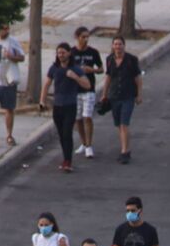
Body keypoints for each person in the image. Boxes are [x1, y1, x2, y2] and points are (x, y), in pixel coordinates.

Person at [42, 45, 88, 171]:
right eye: (58, 53)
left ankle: (68, 161)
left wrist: (75, 77)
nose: (60, 55)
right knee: (62, 135)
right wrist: (42, 101)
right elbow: (46, 84)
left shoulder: (76, 69)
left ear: (69, 54)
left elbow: (87, 85)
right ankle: (65, 158)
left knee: (67, 133)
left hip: (70, 106)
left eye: (63, 52)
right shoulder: (54, 68)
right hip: (57, 106)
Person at [102, 36, 143, 164]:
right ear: (112, 46)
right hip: (114, 96)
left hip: (128, 96)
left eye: (120, 44)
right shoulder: (109, 59)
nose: (118, 47)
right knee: (118, 125)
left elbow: (138, 78)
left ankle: (125, 151)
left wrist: (139, 95)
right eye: (115, 44)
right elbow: (108, 77)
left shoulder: (131, 60)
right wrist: (104, 94)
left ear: (124, 46)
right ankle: (124, 147)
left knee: (124, 123)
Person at [70, 27, 104, 159]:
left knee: (87, 116)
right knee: (78, 118)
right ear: (77, 37)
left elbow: (101, 69)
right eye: (83, 37)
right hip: (75, 90)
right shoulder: (71, 53)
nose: (86, 39)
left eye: (87, 37)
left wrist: (93, 70)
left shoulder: (93, 52)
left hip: (89, 89)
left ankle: (89, 145)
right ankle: (83, 143)